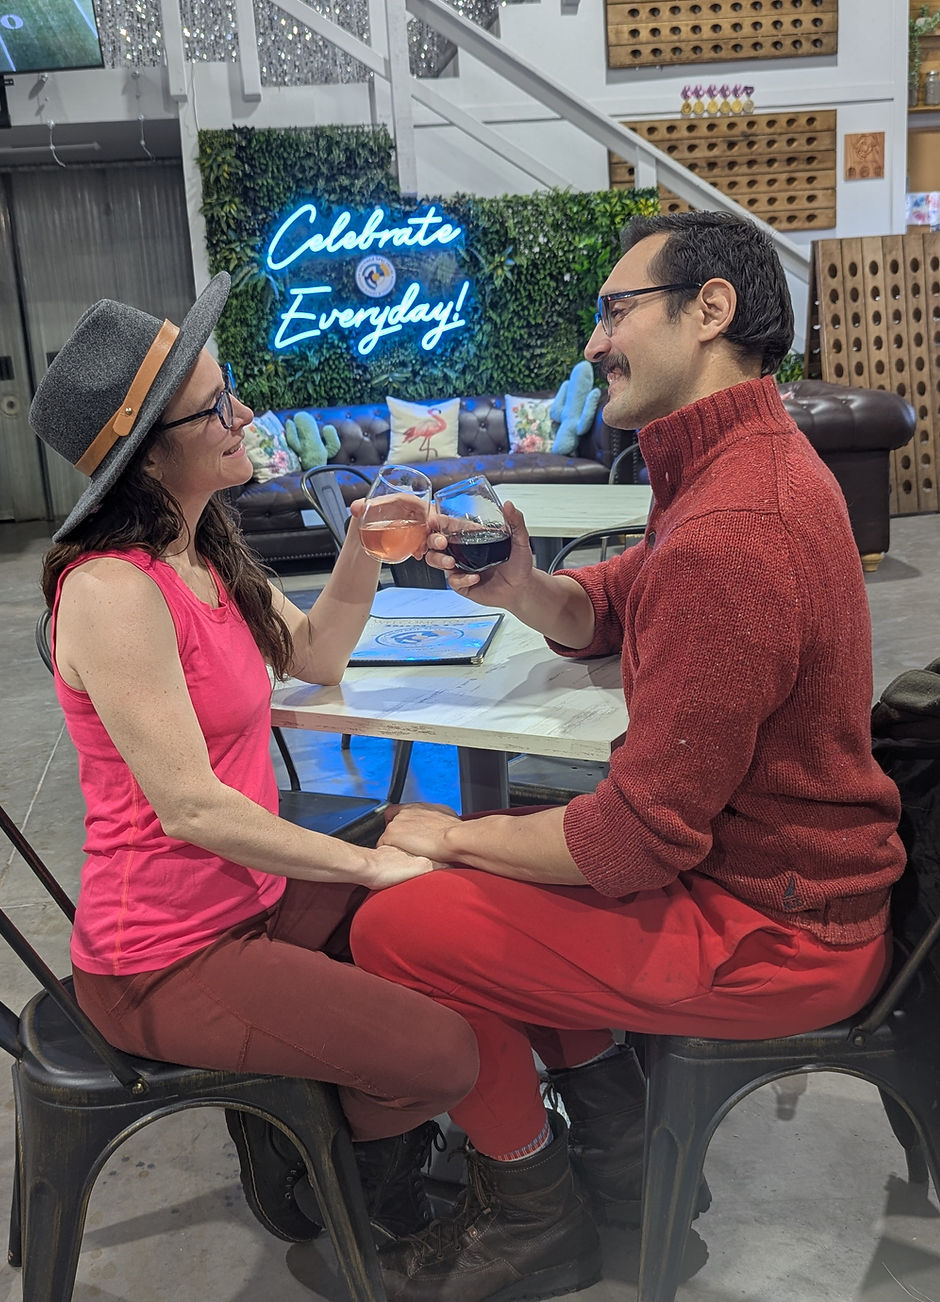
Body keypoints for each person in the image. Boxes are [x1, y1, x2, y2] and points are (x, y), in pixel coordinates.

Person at [347, 211, 907, 1301]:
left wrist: (451, 835)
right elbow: (614, 602)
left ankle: (531, 1215)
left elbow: (634, 838)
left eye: (615, 311)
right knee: (486, 869)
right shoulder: (732, 468)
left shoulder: (737, 522)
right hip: (774, 889)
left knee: (398, 927)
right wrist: (521, 586)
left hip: (777, 929)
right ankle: (622, 1163)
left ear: (709, 311)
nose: (594, 340)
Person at [29, 272, 479, 1248]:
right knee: (444, 1053)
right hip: (163, 954)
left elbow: (315, 655)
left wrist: (364, 542)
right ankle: (321, 1176)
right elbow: (190, 808)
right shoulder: (112, 591)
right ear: (149, 454)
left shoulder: (204, 555)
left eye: (229, 391)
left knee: (446, 888)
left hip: (251, 895)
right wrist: (365, 865)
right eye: (215, 406)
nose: (243, 416)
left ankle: (313, 1115)